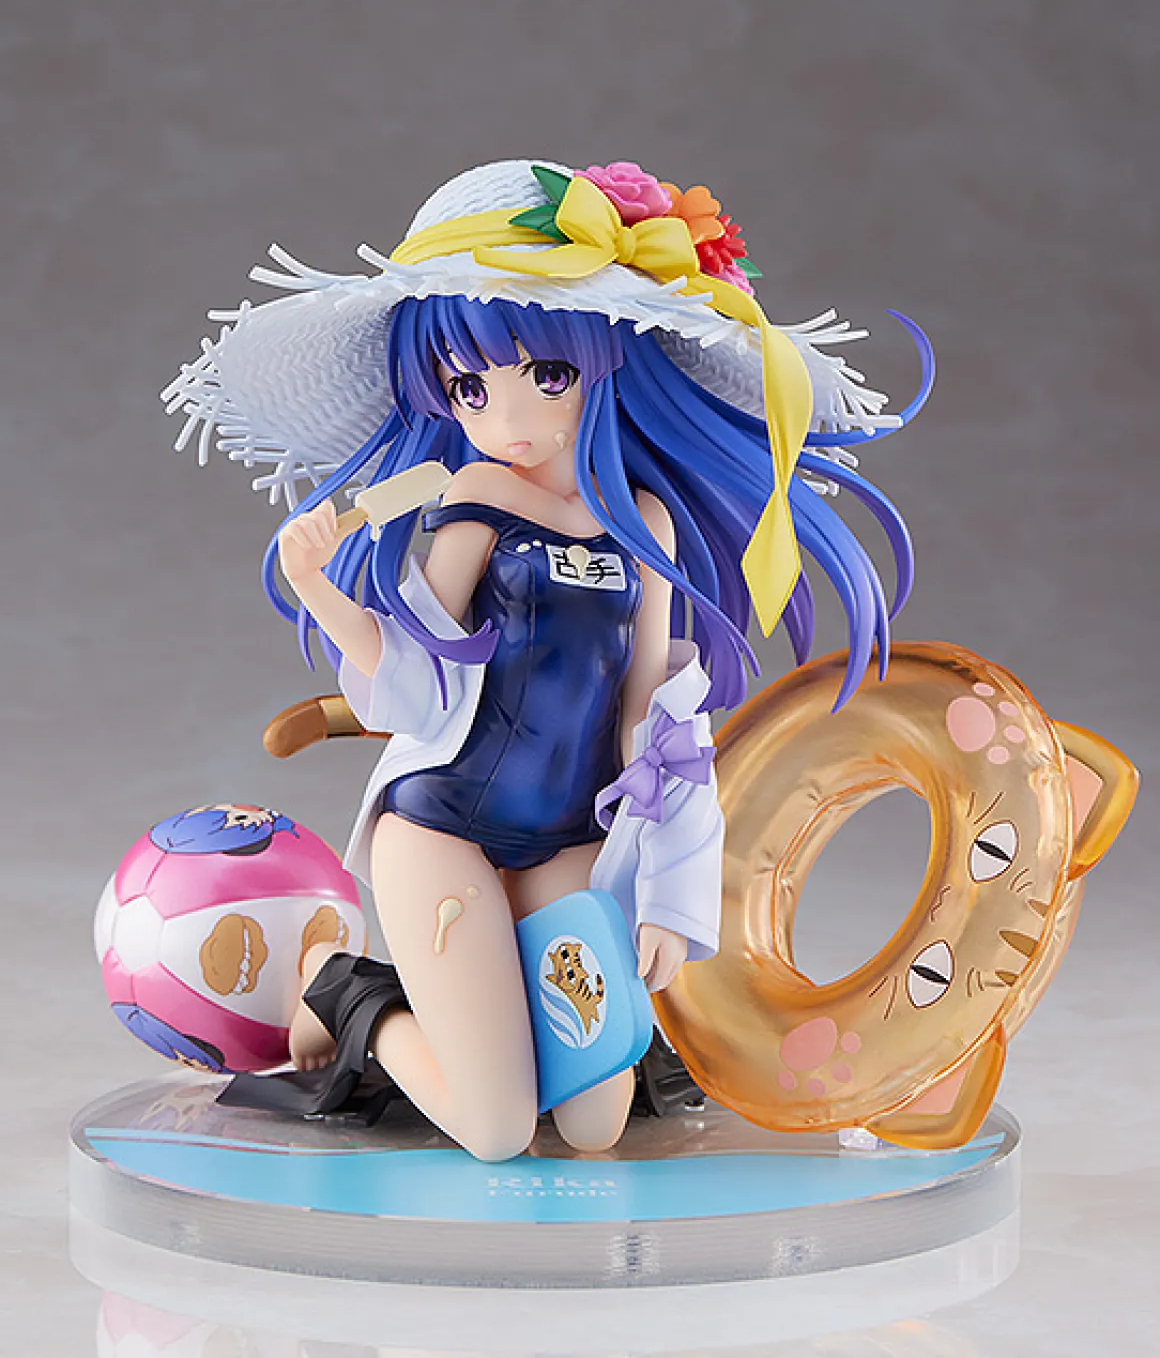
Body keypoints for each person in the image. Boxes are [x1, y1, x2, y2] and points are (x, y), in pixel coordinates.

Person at [163, 158, 930, 1161]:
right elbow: (410, 680)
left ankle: (465, 1008)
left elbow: (654, 720)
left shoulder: (644, 524)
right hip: (443, 825)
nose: (506, 419)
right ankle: (348, 996)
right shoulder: (475, 496)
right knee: (494, 1129)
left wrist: (668, 895)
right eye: (469, 387)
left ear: (605, 364)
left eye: (547, 376)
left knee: (592, 1120)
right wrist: (321, 590)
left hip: (569, 835)